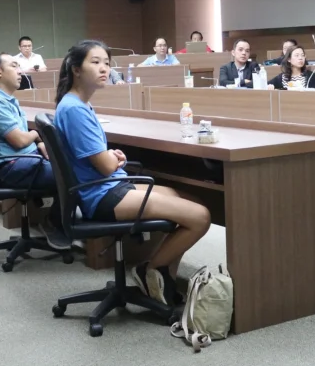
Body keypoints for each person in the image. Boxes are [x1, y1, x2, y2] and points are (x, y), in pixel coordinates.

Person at [54, 40, 210, 306]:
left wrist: (112, 157)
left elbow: (96, 158)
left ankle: (163, 279)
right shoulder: (74, 109)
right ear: (76, 69)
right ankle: (150, 269)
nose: (104, 68)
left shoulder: (77, 104)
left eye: (106, 63)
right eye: (95, 62)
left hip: (105, 186)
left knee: (185, 200)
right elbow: (104, 166)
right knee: (200, 217)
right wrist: (111, 160)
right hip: (101, 195)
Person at [0, 54, 68, 249]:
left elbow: (23, 139)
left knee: (71, 164)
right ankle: (54, 222)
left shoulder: (7, 100)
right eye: (14, 66)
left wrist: (38, 142)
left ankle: (61, 221)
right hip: (11, 167)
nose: (20, 71)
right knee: (73, 173)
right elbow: (19, 141)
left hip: (23, 161)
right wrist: (36, 134)